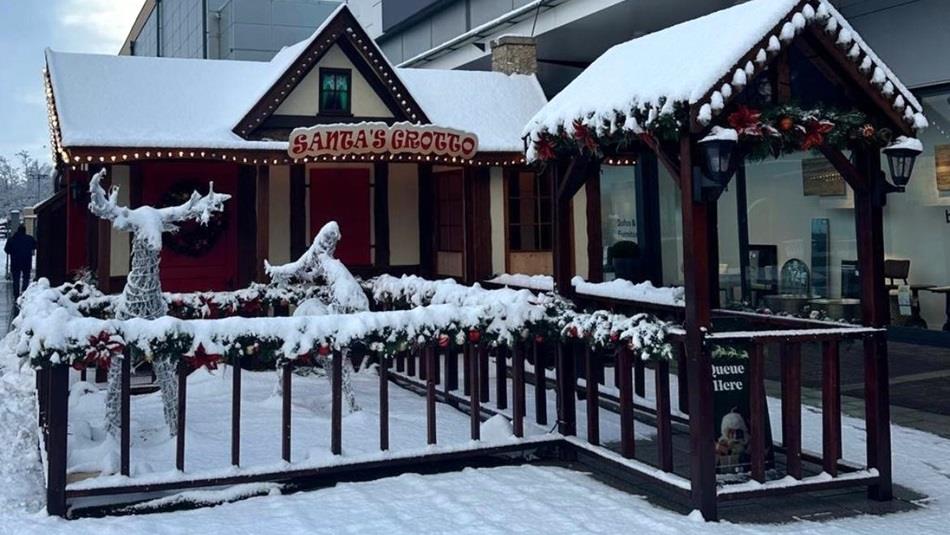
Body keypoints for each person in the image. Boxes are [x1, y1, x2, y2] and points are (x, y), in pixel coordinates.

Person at [4, 225, 36, 298]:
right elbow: (35, 246)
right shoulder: (29, 238)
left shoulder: (12, 239)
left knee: (16, 279)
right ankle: (24, 293)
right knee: (26, 278)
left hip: (15, 262)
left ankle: (16, 295)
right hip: (26, 261)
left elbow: (6, 250)